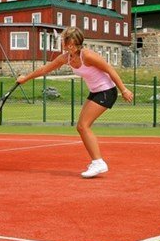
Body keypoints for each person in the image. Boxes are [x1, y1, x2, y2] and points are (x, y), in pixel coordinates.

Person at [17, 27, 133, 178]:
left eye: (63, 40)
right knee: (81, 126)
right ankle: (97, 162)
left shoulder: (88, 56)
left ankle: (98, 163)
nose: (61, 42)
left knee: (83, 126)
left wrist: (123, 89)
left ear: (70, 43)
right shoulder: (66, 58)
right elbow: (45, 69)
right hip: (96, 91)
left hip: (106, 91)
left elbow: (109, 69)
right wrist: (25, 78)